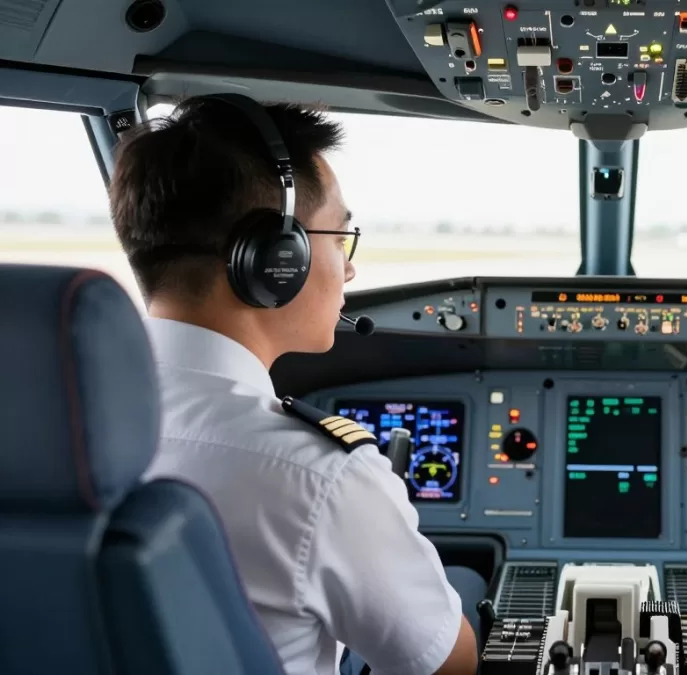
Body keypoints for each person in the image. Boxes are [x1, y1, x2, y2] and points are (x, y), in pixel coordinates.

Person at [108, 95, 480, 675]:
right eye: (340, 236)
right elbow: (446, 666)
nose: (350, 268)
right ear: (277, 259)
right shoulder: (319, 476)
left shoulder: (48, 436)